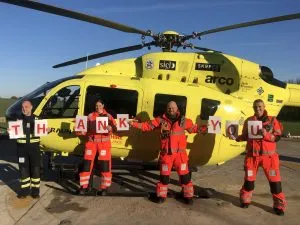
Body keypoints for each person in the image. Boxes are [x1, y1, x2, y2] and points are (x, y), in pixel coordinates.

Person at [129, 101, 198, 204]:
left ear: (177, 109)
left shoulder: (183, 121)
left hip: (180, 156)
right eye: (169, 108)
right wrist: (133, 124)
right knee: (164, 177)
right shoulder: (160, 120)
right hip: (166, 156)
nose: (171, 110)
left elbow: (194, 129)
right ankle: (161, 196)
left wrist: (207, 128)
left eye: (173, 108)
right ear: (167, 109)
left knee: (185, 178)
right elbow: (147, 126)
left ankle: (188, 197)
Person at [232, 99, 287, 215]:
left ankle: (279, 205)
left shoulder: (272, 121)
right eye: (255, 107)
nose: (258, 109)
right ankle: (245, 199)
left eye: (260, 106)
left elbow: (277, 137)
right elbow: (245, 136)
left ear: (264, 106)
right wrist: (236, 137)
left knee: (275, 182)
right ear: (253, 108)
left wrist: (266, 134)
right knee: (249, 180)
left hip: (269, 158)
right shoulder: (249, 121)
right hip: (252, 157)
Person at [78, 99, 117, 195]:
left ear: (103, 106)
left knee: (105, 166)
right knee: (86, 165)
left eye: (99, 105)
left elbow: (115, 128)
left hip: (104, 144)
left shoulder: (108, 116)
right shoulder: (90, 116)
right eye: (96, 105)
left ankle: (104, 188)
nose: (98, 107)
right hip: (91, 143)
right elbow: (83, 128)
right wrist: (80, 131)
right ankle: (83, 187)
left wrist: (110, 129)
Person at [14, 99, 41, 198]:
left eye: (26, 107)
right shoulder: (18, 119)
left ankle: (35, 191)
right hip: (21, 150)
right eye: (22, 107)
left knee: (35, 169)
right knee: (23, 169)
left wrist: (48, 130)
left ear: (31, 107)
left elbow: (43, 130)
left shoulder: (37, 119)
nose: (24, 109)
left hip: (34, 149)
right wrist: (10, 131)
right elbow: (14, 132)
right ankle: (24, 191)